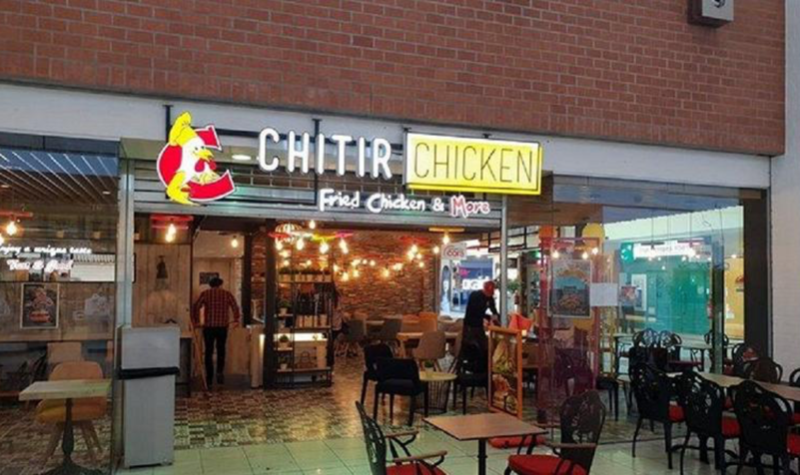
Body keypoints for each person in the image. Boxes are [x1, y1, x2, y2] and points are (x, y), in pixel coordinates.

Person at [192, 277, 240, 388]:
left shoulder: (206, 293)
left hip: (209, 327)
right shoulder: (227, 294)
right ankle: (219, 372)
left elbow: (196, 306)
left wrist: (197, 320)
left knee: (208, 351)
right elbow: (235, 306)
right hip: (222, 327)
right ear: (220, 284)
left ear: (210, 284)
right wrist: (236, 319)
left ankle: (209, 377)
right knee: (221, 350)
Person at [462, 280, 500, 355]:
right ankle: (465, 360)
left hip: (479, 325)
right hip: (470, 325)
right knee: (468, 345)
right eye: (489, 292)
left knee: (483, 346)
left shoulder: (490, 298)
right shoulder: (475, 296)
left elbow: (493, 309)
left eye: (492, 292)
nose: (490, 294)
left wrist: (496, 317)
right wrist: (488, 317)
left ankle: (483, 360)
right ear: (484, 289)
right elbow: (475, 311)